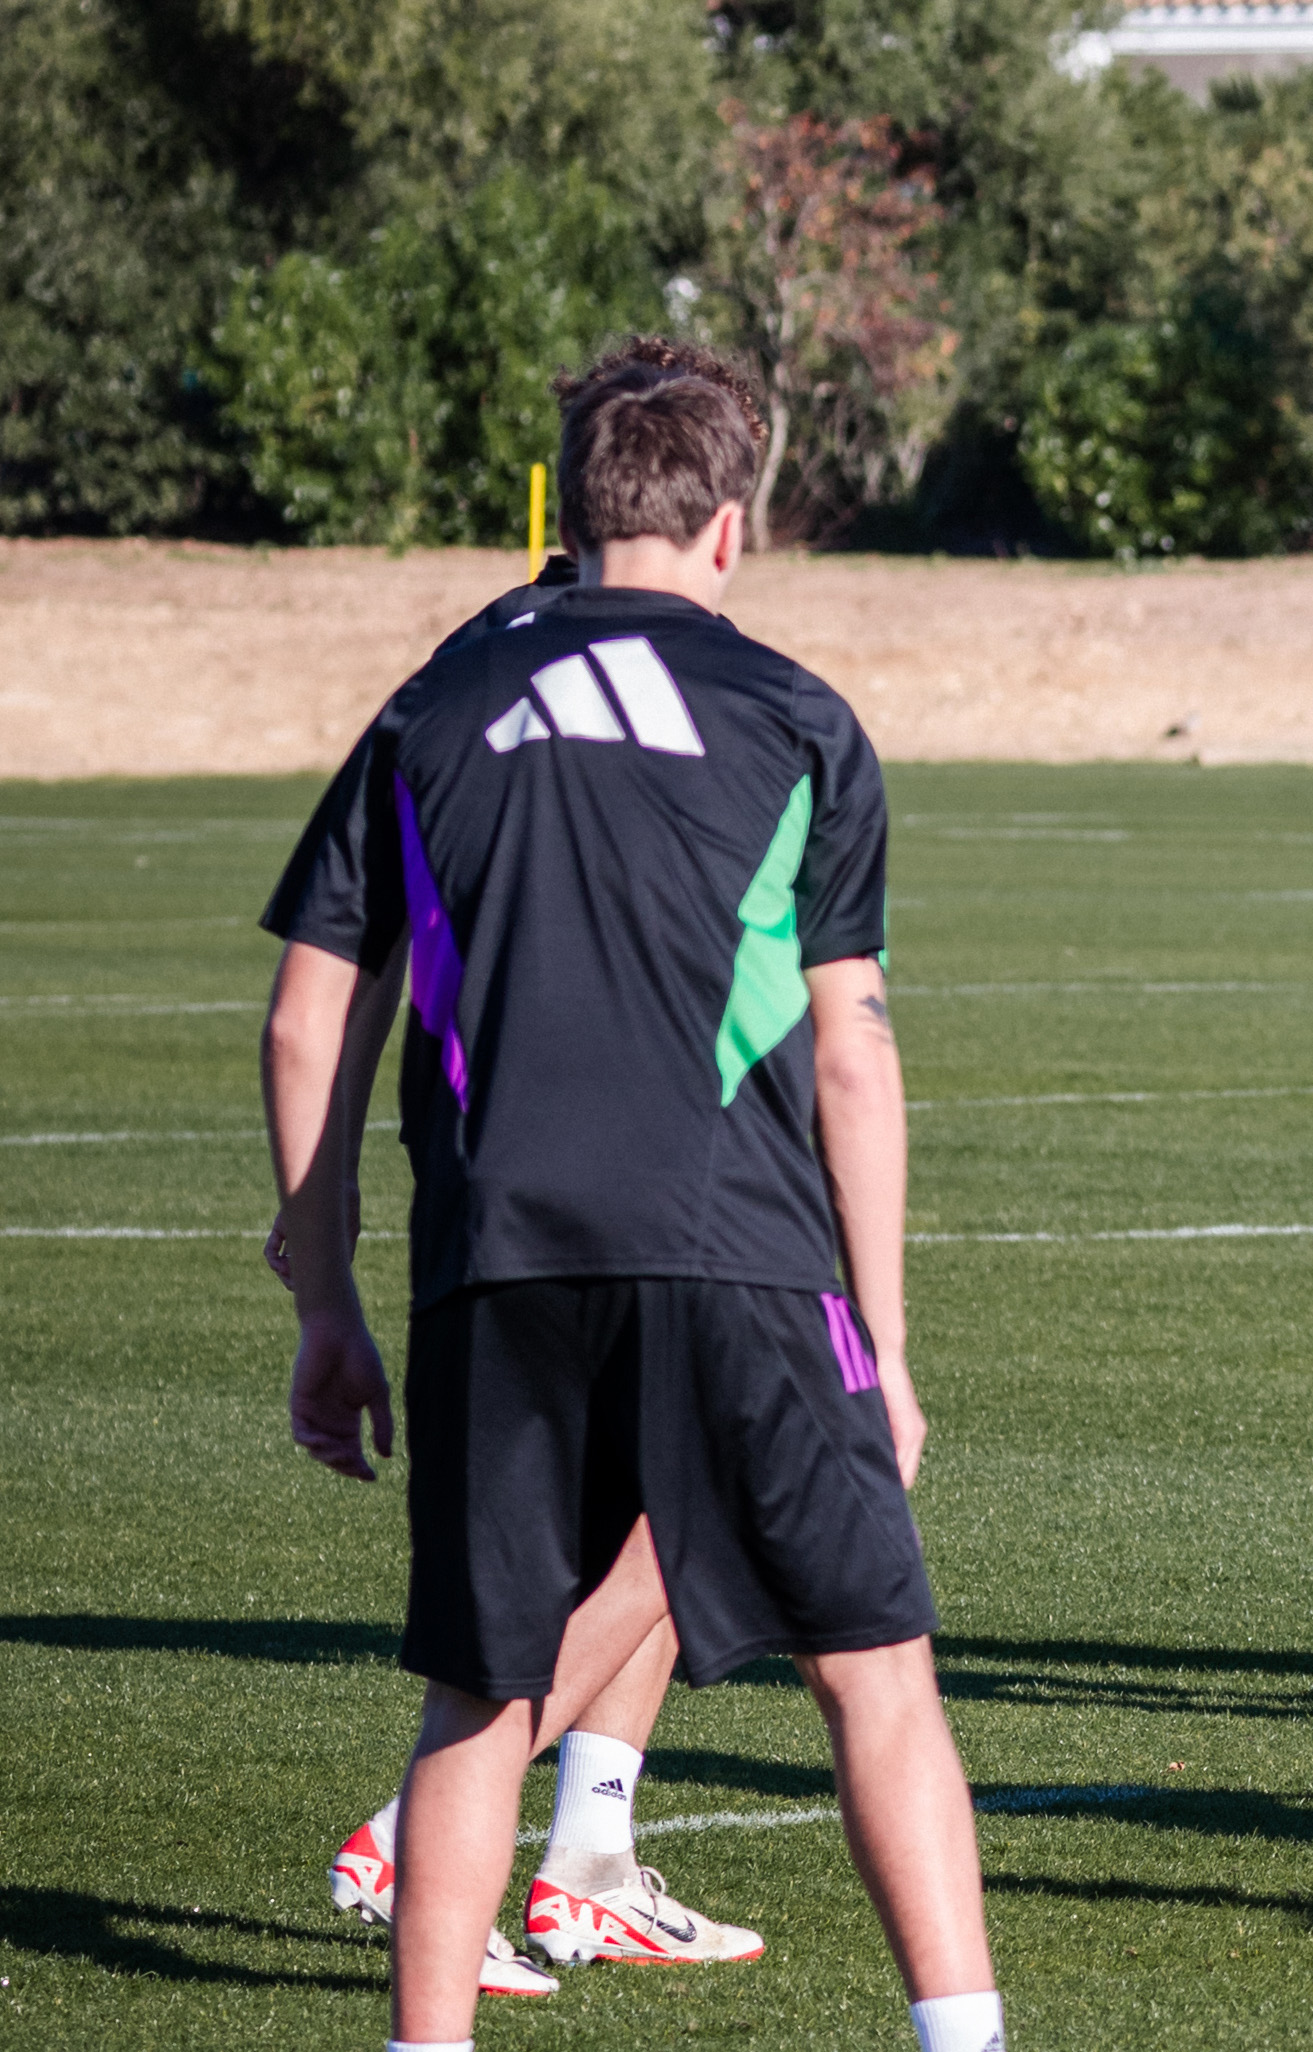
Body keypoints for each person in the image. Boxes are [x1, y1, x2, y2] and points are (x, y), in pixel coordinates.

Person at [258, 355, 1002, 2052]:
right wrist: (879, 1339)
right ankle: (964, 2042)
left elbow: (311, 1016)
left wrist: (325, 1298)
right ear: (730, 526)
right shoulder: (799, 715)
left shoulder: (430, 711)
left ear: (575, 517)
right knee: (874, 1673)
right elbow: (853, 1052)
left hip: (493, 1258)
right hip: (739, 1247)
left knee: (480, 1681)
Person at [285, 338, 781, 1993]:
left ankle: (587, 1855)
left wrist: (320, 1264)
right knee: (690, 1515)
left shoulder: (473, 660)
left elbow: (316, 1005)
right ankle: (427, 1829)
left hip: (497, 1172)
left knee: (636, 1519)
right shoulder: (589, 668)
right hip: (636, 1170)